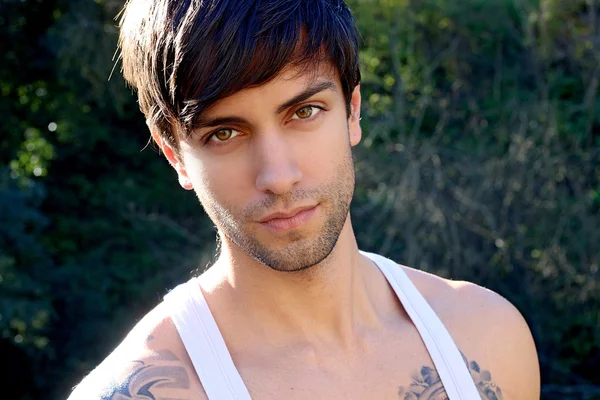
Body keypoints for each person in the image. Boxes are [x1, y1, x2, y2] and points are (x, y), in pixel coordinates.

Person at [68, 0, 540, 398]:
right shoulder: (135, 389)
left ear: (352, 110)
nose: (278, 176)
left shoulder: (488, 337)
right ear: (175, 154)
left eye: (304, 111)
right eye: (224, 132)